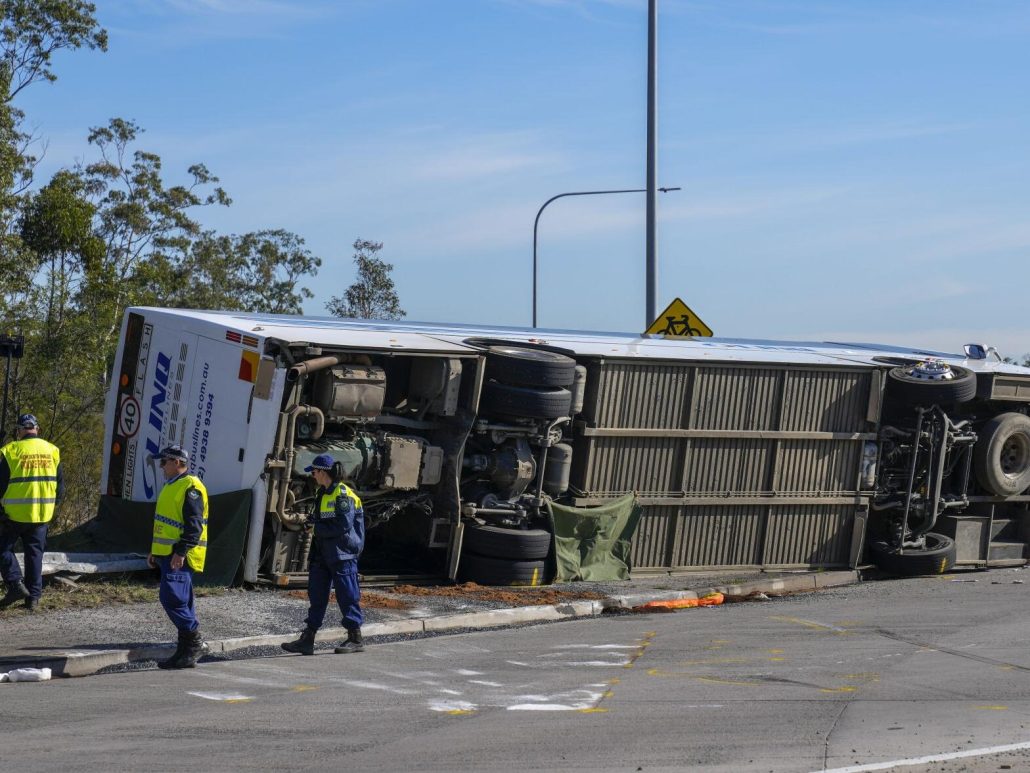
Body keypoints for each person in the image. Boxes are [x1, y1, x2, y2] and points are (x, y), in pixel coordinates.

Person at [282, 453, 366, 656]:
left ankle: (355, 638)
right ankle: (308, 639)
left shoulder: (342, 494)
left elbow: (343, 525)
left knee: (347, 595)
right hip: (323, 553)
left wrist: (315, 529)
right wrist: (311, 522)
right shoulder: (322, 493)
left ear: (323, 472)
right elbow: (323, 519)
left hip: (342, 553)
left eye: (314, 472)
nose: (312, 476)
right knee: (317, 596)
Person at [147, 444, 209, 670]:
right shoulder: (173, 485)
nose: (162, 466)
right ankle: (185, 651)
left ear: (176, 462)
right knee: (182, 601)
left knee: (171, 598)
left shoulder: (190, 487)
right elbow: (165, 523)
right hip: (168, 554)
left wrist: (181, 551)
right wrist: (155, 551)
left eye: (164, 462)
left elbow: (194, 526)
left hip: (180, 555)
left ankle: (194, 641)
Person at [0, 414, 63, 612]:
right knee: (34, 555)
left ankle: (15, 584)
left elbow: (0, 485)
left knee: (2, 549)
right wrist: (52, 508)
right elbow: (60, 488)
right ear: (37, 429)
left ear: (19, 431)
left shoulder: (11, 451)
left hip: (13, 515)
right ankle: (33, 599)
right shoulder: (52, 451)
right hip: (41, 514)